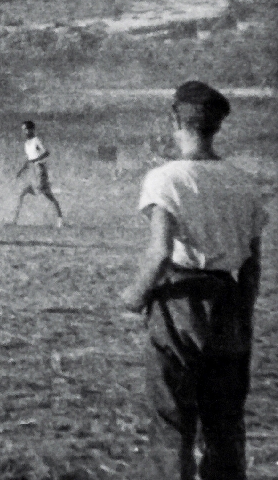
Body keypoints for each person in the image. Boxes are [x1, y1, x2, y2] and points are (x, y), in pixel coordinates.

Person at [119, 81, 268, 479]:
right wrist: (243, 316)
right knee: (224, 424)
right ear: (217, 126)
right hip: (229, 300)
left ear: (175, 122)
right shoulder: (245, 183)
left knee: (172, 419)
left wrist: (133, 297)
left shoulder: (165, 179)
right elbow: (253, 265)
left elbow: (159, 252)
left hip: (179, 304)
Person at [9, 120, 64, 227]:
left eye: (26, 129)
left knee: (47, 195)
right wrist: (21, 170)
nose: (24, 132)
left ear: (31, 129)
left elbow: (46, 153)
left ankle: (60, 219)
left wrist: (36, 161)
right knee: (22, 193)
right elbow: (29, 159)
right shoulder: (26, 144)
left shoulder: (36, 141)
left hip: (40, 170)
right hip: (32, 171)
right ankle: (14, 221)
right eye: (23, 130)